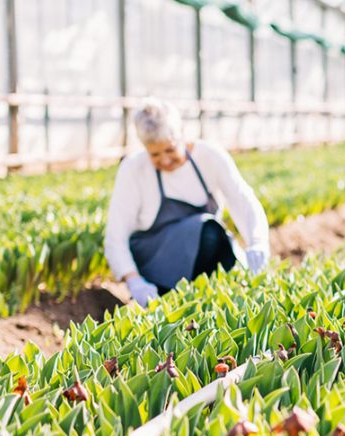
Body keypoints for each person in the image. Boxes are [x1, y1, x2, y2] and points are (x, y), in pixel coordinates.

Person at [105, 99, 270, 307]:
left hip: (202, 251)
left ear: (182, 133)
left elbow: (243, 200)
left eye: (170, 150)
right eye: (155, 154)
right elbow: (116, 236)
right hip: (154, 260)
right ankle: (172, 298)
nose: (164, 160)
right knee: (206, 229)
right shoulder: (133, 169)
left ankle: (209, 299)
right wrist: (135, 281)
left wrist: (257, 242)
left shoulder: (210, 156)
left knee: (213, 235)